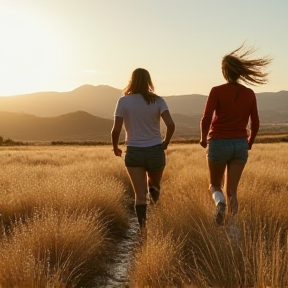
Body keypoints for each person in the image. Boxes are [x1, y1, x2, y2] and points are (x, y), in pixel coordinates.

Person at [200, 44, 272, 225]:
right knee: (232, 191)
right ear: (240, 72)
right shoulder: (249, 93)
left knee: (215, 185)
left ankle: (219, 202)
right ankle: (233, 230)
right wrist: (250, 141)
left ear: (224, 72)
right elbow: (255, 123)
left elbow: (206, 118)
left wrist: (202, 138)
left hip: (218, 142)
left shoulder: (216, 91)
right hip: (240, 144)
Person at [111, 68, 175, 233]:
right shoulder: (158, 100)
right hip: (155, 150)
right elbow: (171, 125)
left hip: (134, 152)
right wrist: (165, 142)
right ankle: (156, 216)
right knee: (155, 187)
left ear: (131, 80)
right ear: (148, 81)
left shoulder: (123, 101)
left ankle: (143, 229)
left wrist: (115, 147)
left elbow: (115, 130)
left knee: (139, 195)